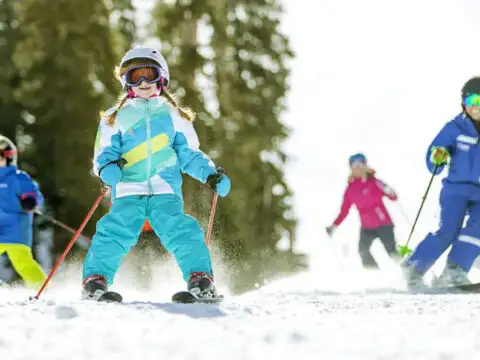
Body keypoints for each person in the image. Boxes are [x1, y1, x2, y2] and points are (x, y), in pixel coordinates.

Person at [82, 46, 231, 300]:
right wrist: (107, 170)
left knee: (182, 230)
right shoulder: (114, 117)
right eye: (134, 76)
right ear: (125, 82)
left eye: (149, 75)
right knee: (114, 230)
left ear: (162, 78)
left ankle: (200, 278)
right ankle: (95, 280)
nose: (143, 82)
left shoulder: (174, 115)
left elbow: (188, 153)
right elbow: (104, 152)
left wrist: (208, 174)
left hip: (165, 188)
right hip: (128, 188)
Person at [402, 77, 480, 289]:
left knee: (478, 228)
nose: (476, 105)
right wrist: (438, 156)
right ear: (464, 103)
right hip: (455, 189)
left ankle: (454, 271)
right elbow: (436, 151)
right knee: (448, 231)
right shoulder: (455, 128)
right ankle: (414, 267)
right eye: (472, 99)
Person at [326, 153, 400, 269]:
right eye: (354, 165)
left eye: (361, 164)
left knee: (391, 251)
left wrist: (389, 190)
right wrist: (333, 226)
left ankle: (409, 269)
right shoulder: (350, 189)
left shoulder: (375, 183)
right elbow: (344, 211)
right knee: (362, 251)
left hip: (383, 224)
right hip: (367, 227)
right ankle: (375, 276)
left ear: (366, 166)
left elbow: (394, 197)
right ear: (351, 168)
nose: (358, 168)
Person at [0, 135, 46, 288]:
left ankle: (42, 288)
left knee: (22, 262)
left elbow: (33, 193)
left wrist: (30, 200)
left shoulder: (18, 178)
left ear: (8, 158)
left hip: (16, 228)